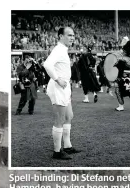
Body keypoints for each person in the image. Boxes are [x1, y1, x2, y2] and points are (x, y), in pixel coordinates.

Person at [43, 27, 81, 160]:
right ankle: (57, 152)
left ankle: (67, 146)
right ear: (60, 36)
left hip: (64, 87)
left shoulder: (63, 50)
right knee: (59, 119)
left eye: (73, 35)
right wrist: (57, 79)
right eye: (69, 35)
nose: (72, 38)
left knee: (69, 116)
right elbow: (47, 65)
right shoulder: (58, 50)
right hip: (58, 87)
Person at [113, 38, 130, 113]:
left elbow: (117, 66)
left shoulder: (122, 58)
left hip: (122, 77)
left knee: (118, 90)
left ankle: (121, 106)